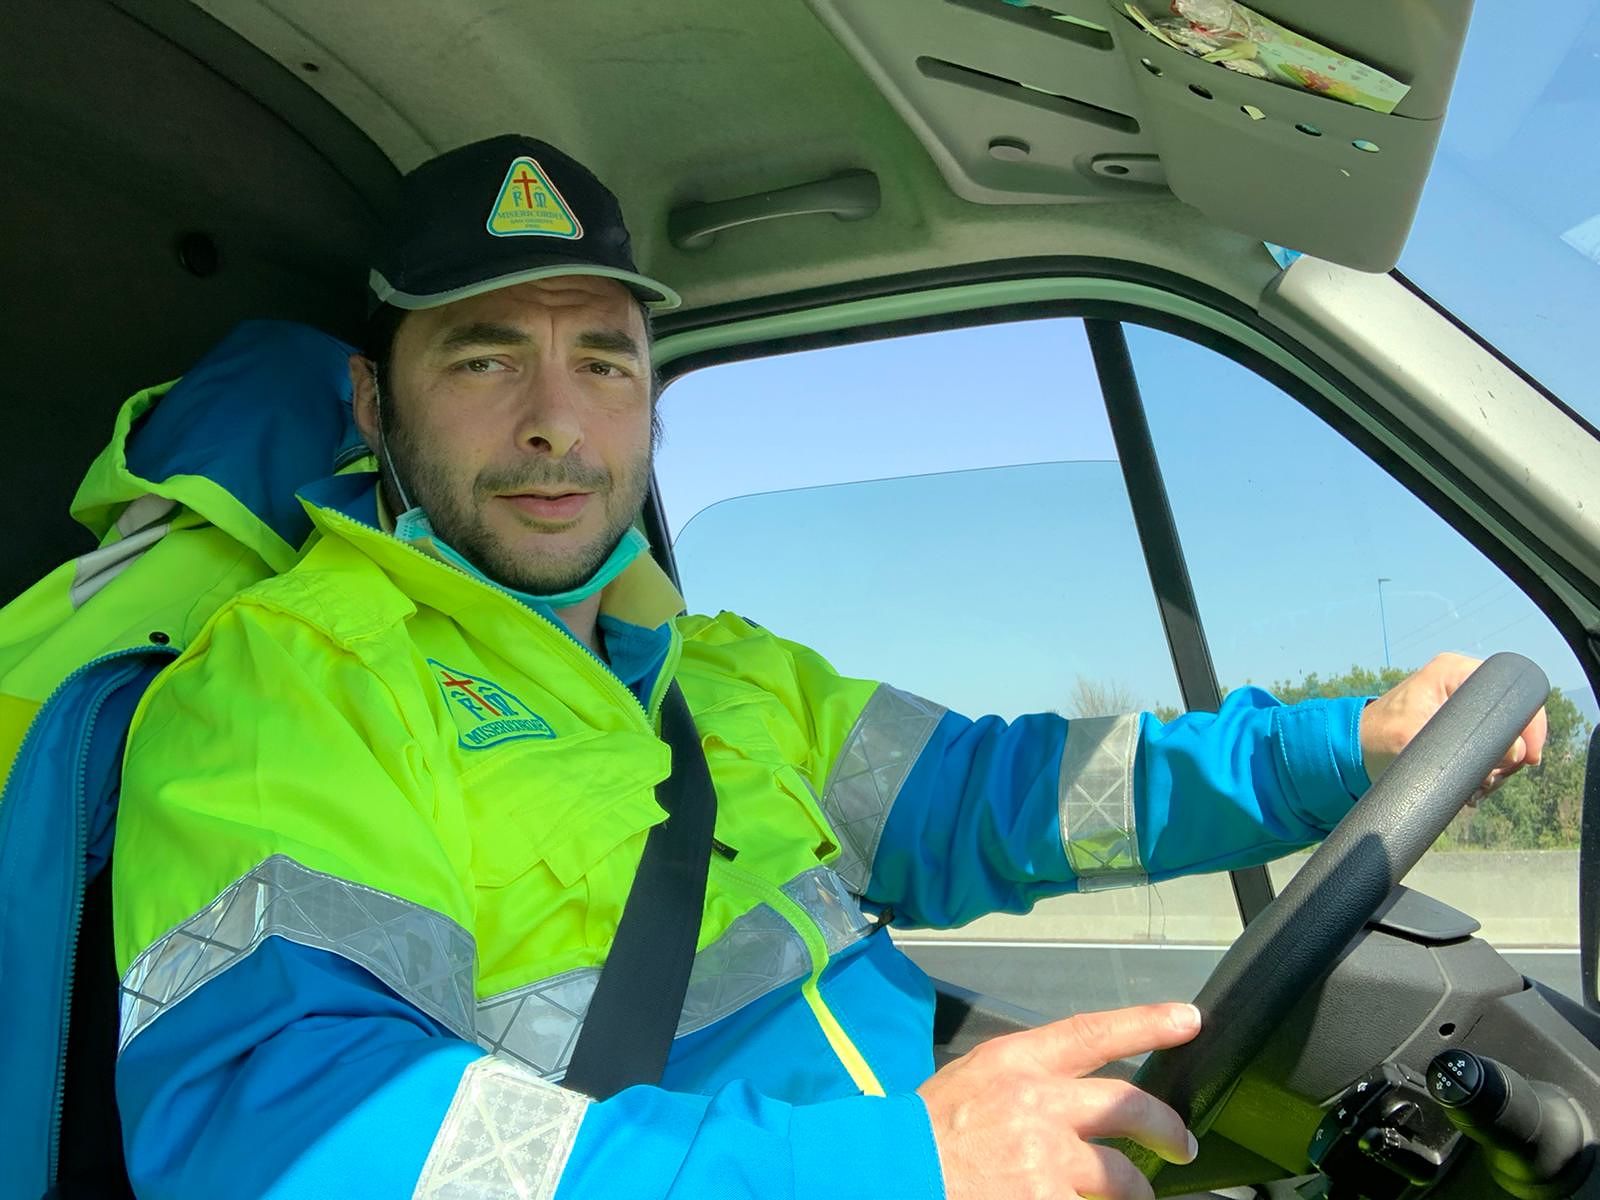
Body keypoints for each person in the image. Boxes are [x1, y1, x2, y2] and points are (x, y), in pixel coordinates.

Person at [111, 134, 1546, 1200]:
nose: (559, 423)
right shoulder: (288, 685)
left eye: (604, 363)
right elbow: (285, 1132)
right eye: (486, 361)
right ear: (376, 399)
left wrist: (1338, 746)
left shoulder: (719, 670)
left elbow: (1010, 794)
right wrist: (892, 1165)